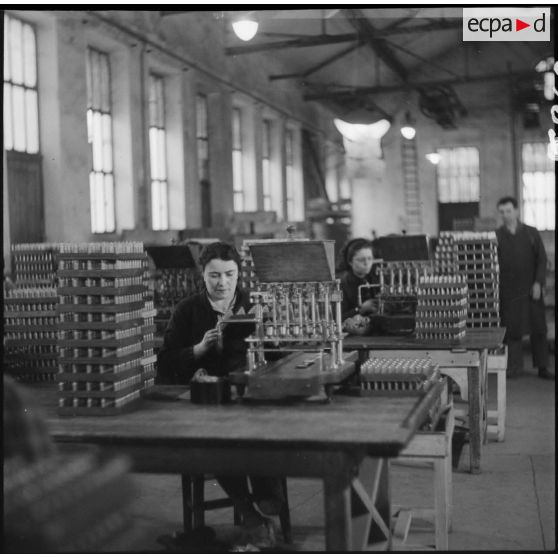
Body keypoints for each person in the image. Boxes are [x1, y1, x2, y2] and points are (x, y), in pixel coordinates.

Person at [157, 242, 284, 548]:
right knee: (217, 445)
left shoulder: (255, 304)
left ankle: (267, 503)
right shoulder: (187, 310)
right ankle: (252, 518)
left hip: (250, 399)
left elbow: (278, 355)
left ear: (239, 273)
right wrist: (196, 352)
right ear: (203, 274)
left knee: (261, 441)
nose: (222, 282)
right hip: (208, 405)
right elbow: (166, 360)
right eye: (214, 275)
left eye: (229, 274)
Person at [495, 196, 552, 379]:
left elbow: (542, 260)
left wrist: (538, 282)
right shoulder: (496, 236)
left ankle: (543, 367)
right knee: (512, 330)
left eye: (509, 211)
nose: (505, 215)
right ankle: (514, 368)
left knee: (539, 329)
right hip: (509, 292)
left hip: (531, 289)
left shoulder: (531, 233)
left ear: (517, 211)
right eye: (502, 212)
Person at [338, 238, 379, 322]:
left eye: (370, 258)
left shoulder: (376, 278)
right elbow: (337, 317)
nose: (366, 263)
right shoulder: (342, 284)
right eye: (361, 260)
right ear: (350, 261)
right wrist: (359, 309)